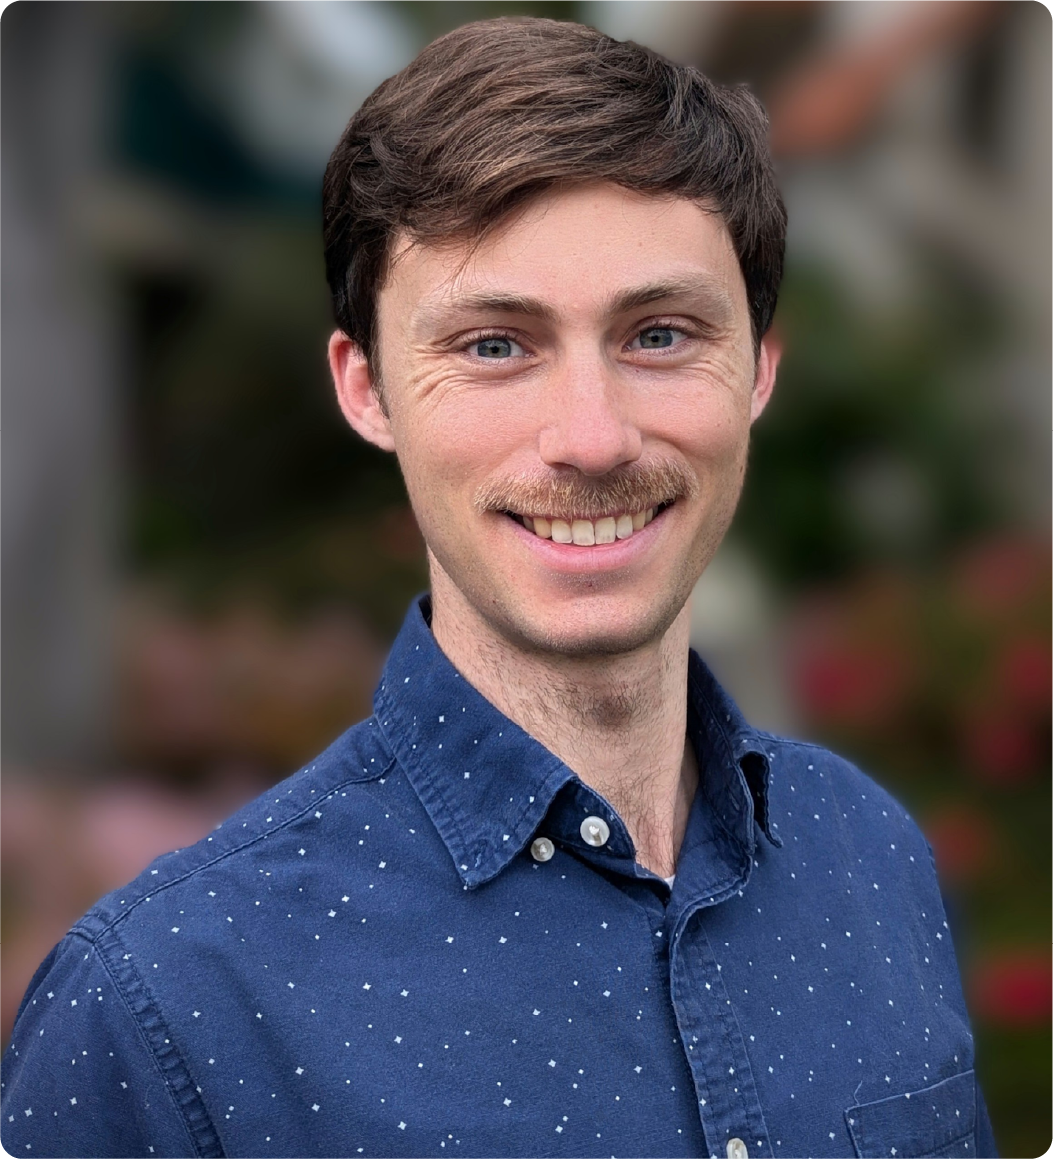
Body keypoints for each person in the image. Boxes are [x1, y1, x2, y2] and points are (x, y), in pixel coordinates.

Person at [0, 17, 998, 1158]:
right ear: (367, 388)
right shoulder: (162, 1008)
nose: (591, 437)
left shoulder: (872, 856)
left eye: (661, 334)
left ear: (759, 369)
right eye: (494, 345)